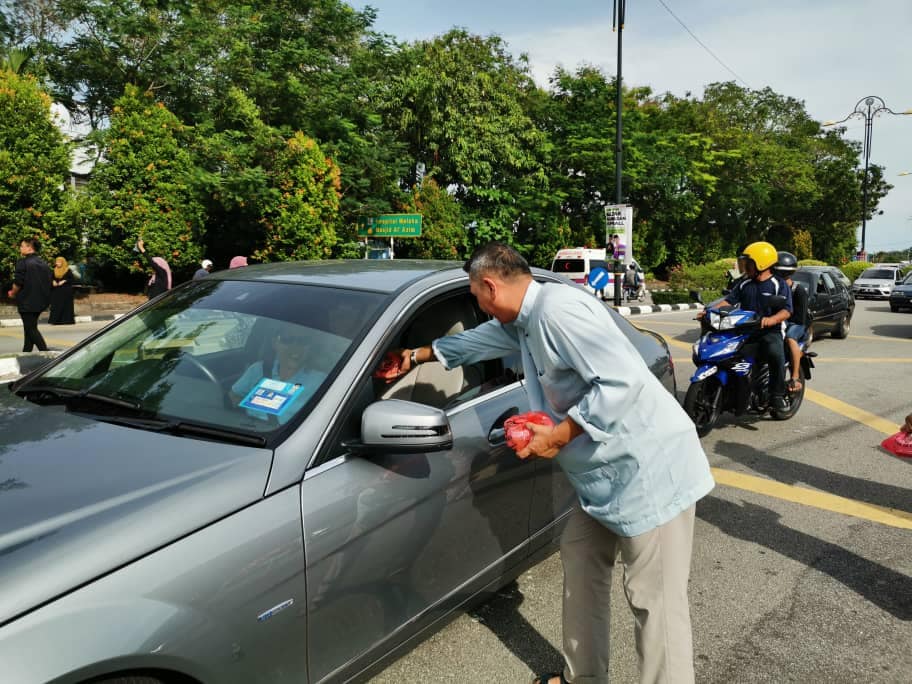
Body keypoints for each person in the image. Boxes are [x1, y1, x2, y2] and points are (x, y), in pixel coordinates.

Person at [391, 241, 714, 684]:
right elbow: (476, 343)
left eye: (476, 296)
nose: (479, 307)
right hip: (601, 477)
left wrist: (558, 436)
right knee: (581, 564)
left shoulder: (558, 312)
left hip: (648, 472)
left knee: (655, 601)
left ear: (489, 285)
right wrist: (414, 356)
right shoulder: (524, 320)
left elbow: (621, 383)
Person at [701, 241, 792, 411]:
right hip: (745, 330)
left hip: (770, 331)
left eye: (748, 264)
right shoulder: (744, 284)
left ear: (762, 263)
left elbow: (787, 311)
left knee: (775, 354)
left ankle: (777, 395)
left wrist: (771, 319)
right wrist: (708, 311)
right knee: (729, 356)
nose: (745, 267)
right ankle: (733, 393)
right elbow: (728, 301)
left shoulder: (778, 284)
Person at [229, 330, 326, 424]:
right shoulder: (258, 369)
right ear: (274, 343)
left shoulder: (321, 382)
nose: (295, 347)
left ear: (310, 346)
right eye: (287, 340)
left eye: (303, 341)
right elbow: (233, 396)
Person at [7, 236, 52, 352]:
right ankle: (26, 353)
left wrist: (12, 292)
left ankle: (46, 355)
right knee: (29, 330)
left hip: (27, 301)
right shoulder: (43, 263)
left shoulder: (23, 262)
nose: (20, 249)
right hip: (41, 301)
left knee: (31, 329)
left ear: (29, 248)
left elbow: (18, 282)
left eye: (22, 246)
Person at [773, 251, 808, 393]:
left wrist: (783, 320)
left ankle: (794, 376)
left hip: (797, 325)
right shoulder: (774, 289)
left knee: (790, 338)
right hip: (779, 322)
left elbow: (801, 317)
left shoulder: (798, 290)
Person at [48, 256, 77, 325]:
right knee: (56, 306)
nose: (57, 263)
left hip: (66, 291)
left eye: (59, 262)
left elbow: (72, 279)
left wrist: (64, 281)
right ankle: (56, 321)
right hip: (56, 291)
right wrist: (52, 281)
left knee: (66, 306)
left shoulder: (67, 270)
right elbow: (50, 278)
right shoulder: (54, 270)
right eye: (56, 262)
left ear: (63, 263)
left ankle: (66, 320)